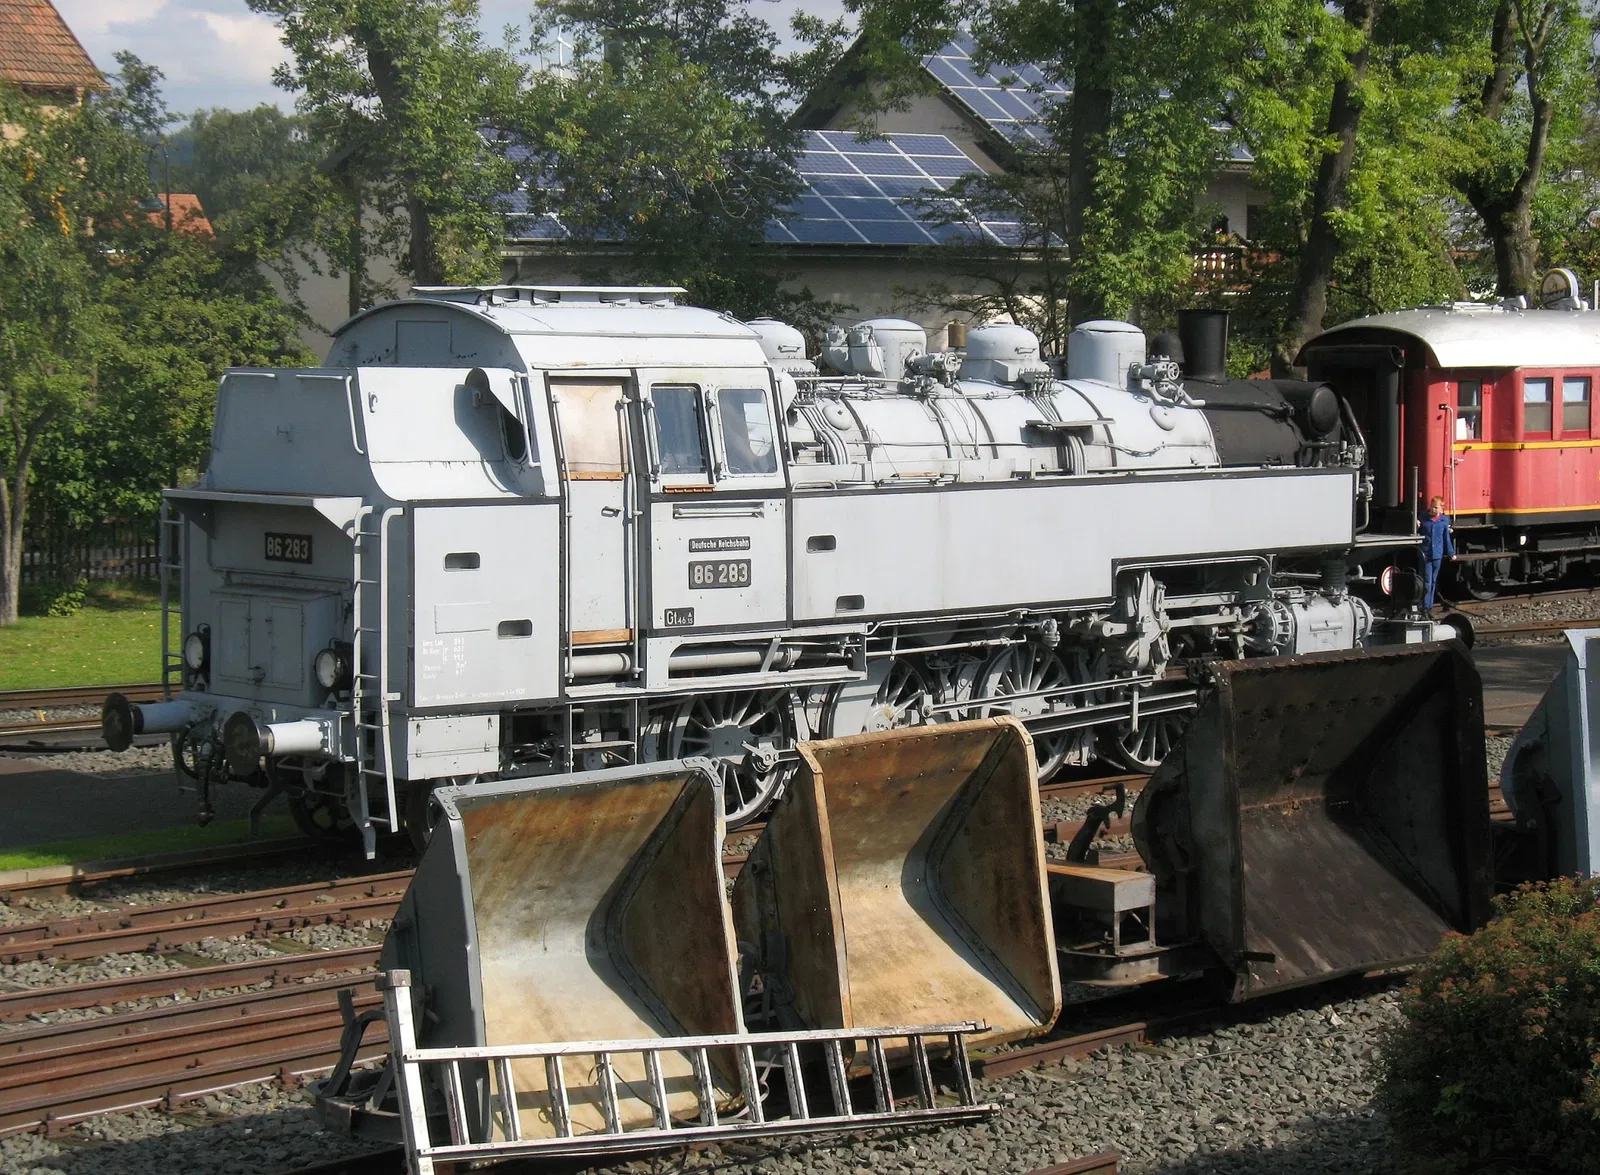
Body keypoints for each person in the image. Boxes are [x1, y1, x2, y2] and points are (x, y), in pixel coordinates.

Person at [1420, 495, 1454, 610]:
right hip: (1426, 554)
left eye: (1436, 507)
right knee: (1427, 581)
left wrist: (1451, 553)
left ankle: (1429, 606)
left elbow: (1446, 538)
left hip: (1437, 554)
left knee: (1433, 581)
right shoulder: (1424, 518)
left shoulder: (1444, 521)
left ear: (1441, 509)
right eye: (1432, 506)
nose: (1433, 509)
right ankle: (1424, 606)